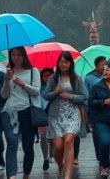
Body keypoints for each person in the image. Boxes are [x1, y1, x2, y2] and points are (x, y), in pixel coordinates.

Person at [42, 51, 87, 179]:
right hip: (55, 116)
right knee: (57, 147)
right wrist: (55, 92)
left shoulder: (77, 78)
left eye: (66, 62)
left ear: (70, 63)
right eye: (61, 61)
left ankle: (67, 175)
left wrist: (70, 96)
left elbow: (84, 96)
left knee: (68, 142)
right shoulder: (53, 78)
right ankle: (60, 165)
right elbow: (45, 95)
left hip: (72, 114)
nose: (63, 64)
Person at [0, 46, 41, 179]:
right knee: (12, 142)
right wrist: (6, 79)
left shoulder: (33, 71)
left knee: (28, 147)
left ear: (24, 56)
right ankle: (11, 175)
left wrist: (23, 84)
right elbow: (4, 95)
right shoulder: (9, 72)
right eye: (13, 55)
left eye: (18, 55)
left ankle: (26, 174)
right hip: (10, 112)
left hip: (28, 112)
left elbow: (36, 91)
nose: (15, 57)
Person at [80, 55, 107, 165]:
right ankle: (100, 157)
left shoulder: (108, 76)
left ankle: (105, 155)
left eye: (106, 64)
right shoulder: (89, 78)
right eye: (102, 65)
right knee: (97, 135)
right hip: (94, 111)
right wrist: (86, 111)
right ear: (96, 66)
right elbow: (86, 95)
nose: (104, 67)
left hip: (108, 110)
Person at [39, 68, 55, 171]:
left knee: (53, 137)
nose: (48, 77)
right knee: (43, 137)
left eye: (50, 75)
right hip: (41, 115)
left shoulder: (56, 86)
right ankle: (46, 158)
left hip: (54, 114)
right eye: (45, 76)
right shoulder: (39, 87)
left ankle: (52, 152)